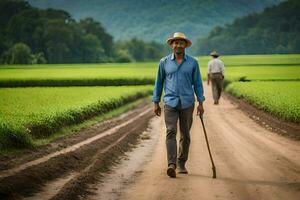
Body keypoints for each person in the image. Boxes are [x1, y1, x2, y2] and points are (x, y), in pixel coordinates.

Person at [152, 32, 205, 178]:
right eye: (175, 43)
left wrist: (201, 102)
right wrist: (156, 102)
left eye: (181, 43)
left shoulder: (193, 63)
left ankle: (181, 162)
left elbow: (198, 84)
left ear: (185, 45)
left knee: (186, 134)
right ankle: (171, 164)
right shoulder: (164, 62)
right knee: (170, 131)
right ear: (172, 45)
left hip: (187, 102)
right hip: (170, 102)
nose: (178, 45)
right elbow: (159, 82)